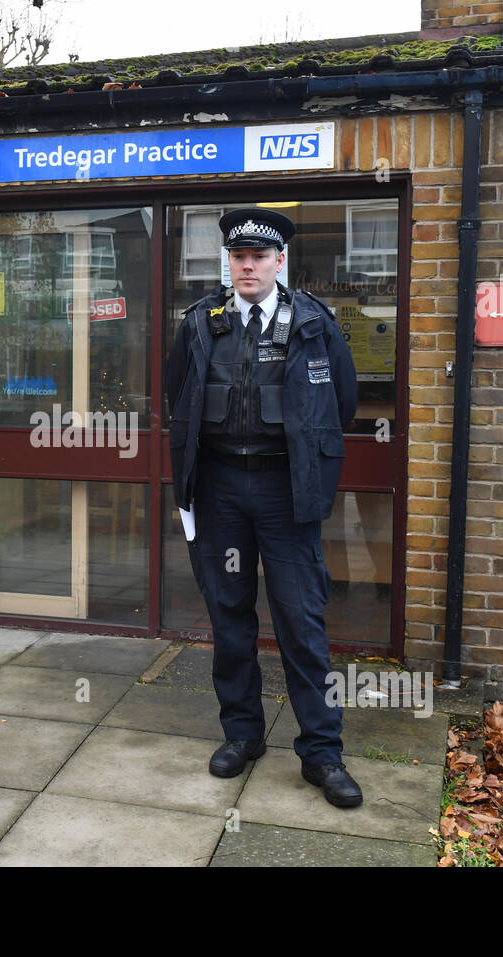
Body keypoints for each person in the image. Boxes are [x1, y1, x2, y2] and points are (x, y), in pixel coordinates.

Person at [165, 208, 362, 808]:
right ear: (229, 261)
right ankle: (243, 735)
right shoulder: (201, 322)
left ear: (280, 262)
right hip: (222, 490)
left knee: (302, 623)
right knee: (229, 618)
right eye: (238, 255)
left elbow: (343, 404)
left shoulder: (313, 322)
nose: (247, 265)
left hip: (285, 494)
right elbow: (179, 393)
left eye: (259, 256)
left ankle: (322, 753)